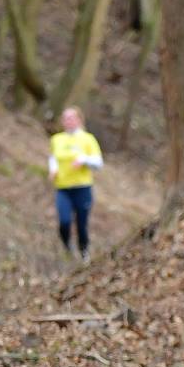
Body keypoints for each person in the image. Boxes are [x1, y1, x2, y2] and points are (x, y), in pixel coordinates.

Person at [48, 107, 103, 263]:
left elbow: (98, 163)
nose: (68, 121)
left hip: (82, 187)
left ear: (79, 120)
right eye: (65, 118)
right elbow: (53, 158)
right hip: (63, 188)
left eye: (72, 118)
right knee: (64, 221)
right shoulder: (56, 139)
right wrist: (53, 170)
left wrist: (83, 159)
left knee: (81, 224)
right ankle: (67, 247)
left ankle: (84, 251)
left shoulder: (88, 139)